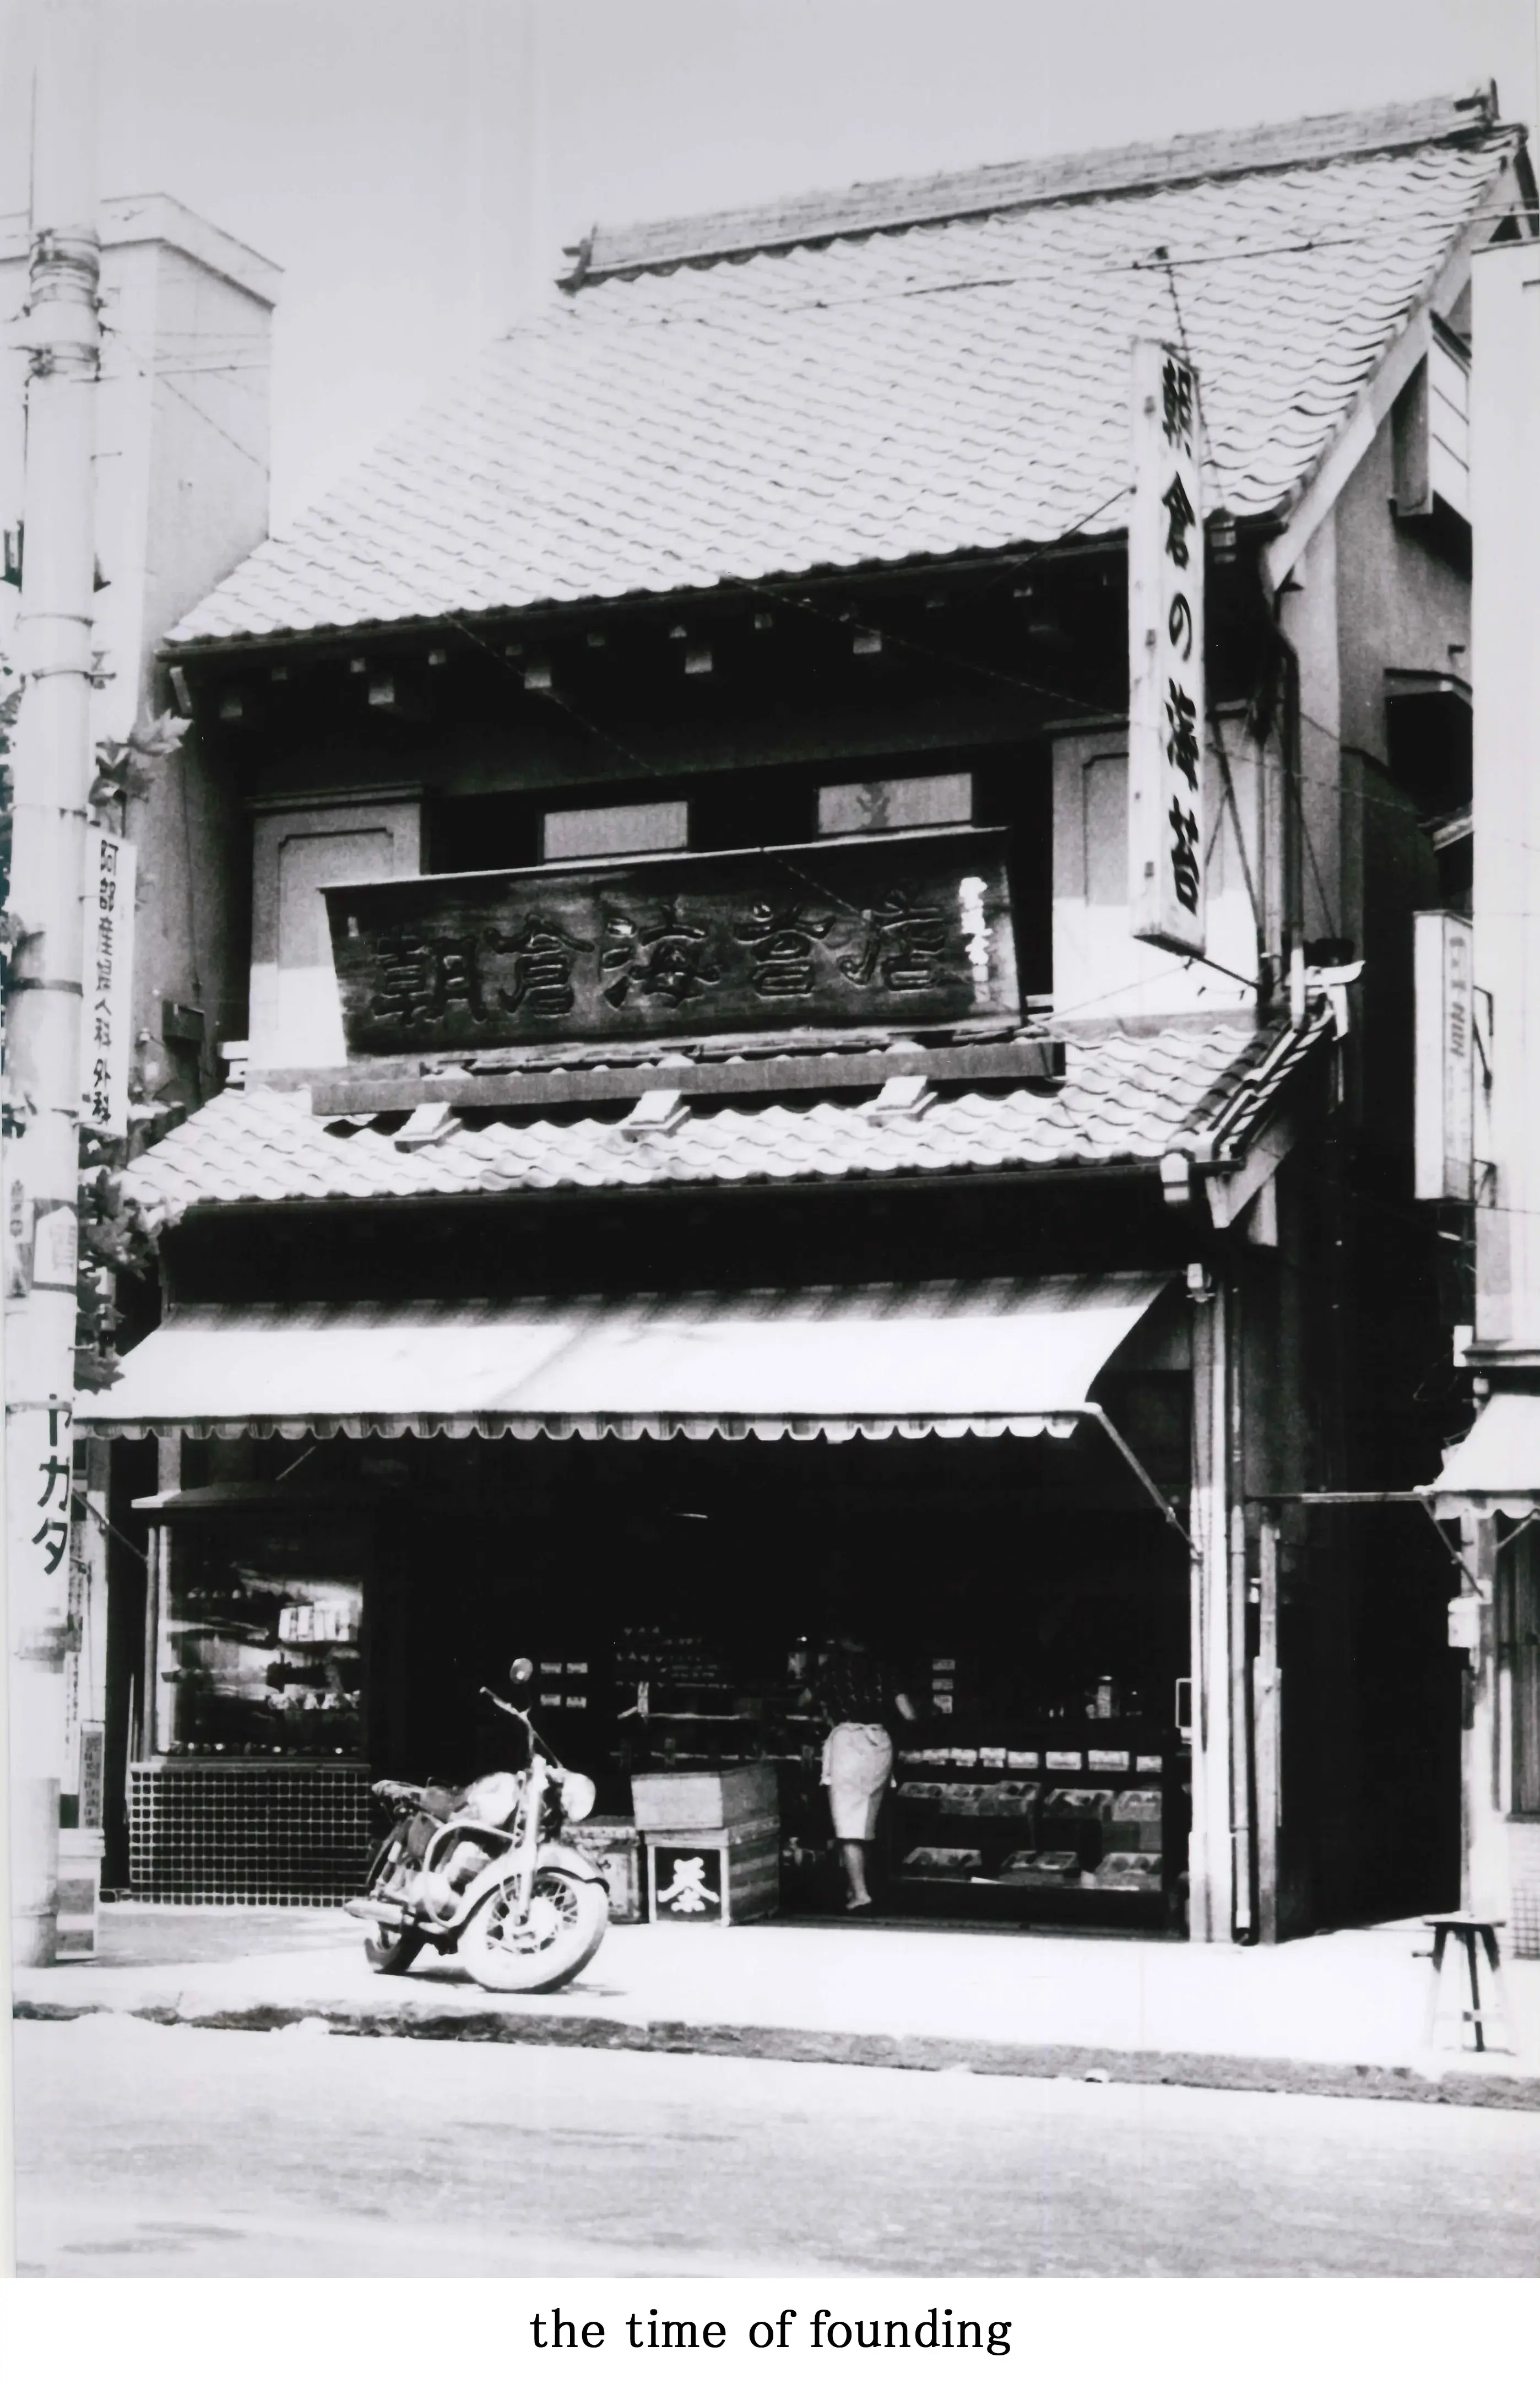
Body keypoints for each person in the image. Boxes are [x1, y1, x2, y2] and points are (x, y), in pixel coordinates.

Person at [813, 1628, 917, 1913]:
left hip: (848, 1743)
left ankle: (861, 1894)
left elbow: (803, 1700)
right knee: (867, 1819)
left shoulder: (832, 1669)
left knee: (848, 1824)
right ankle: (856, 1884)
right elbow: (909, 1714)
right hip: (880, 1743)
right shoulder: (885, 1670)